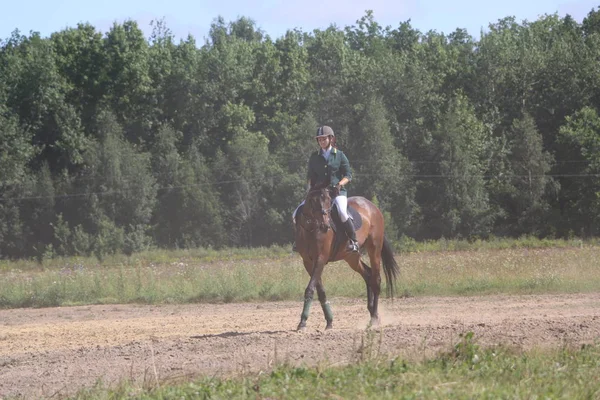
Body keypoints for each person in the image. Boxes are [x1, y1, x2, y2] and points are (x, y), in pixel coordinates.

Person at [293, 125, 359, 252]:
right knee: (296, 213)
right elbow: (310, 177)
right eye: (319, 139)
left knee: (341, 212)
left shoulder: (339, 155)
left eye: (324, 139)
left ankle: (353, 241)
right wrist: (309, 191)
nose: (322, 142)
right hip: (318, 193)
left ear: (330, 139)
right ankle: (298, 241)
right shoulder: (314, 157)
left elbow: (348, 175)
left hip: (336, 193)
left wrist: (340, 184)